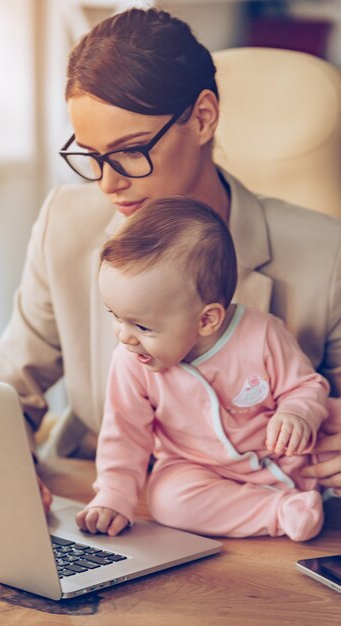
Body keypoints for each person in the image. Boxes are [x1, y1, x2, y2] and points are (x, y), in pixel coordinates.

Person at [0, 8, 341, 510]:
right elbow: (8, 395)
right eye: (90, 155)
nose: (109, 184)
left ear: (202, 118)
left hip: (259, 512)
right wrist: (4, 471)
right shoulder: (64, 223)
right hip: (93, 494)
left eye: (131, 151)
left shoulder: (326, 256)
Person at [76, 197, 339, 541]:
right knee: (167, 501)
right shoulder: (130, 362)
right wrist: (113, 497)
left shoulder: (261, 334)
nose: (125, 337)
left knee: (329, 427)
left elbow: (306, 386)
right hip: (196, 467)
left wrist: (296, 413)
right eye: (115, 316)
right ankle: (281, 511)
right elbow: (124, 434)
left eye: (142, 326)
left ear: (206, 319)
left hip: (288, 460)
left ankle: (310, 492)